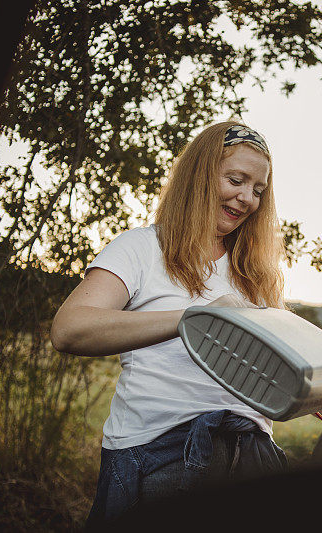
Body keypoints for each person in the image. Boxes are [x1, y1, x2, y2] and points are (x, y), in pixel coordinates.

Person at [50, 121, 288, 525]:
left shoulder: (256, 274)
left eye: (259, 190)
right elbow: (69, 329)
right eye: (236, 179)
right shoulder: (142, 248)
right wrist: (196, 319)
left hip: (250, 458)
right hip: (161, 454)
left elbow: (277, 364)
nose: (247, 198)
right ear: (200, 174)